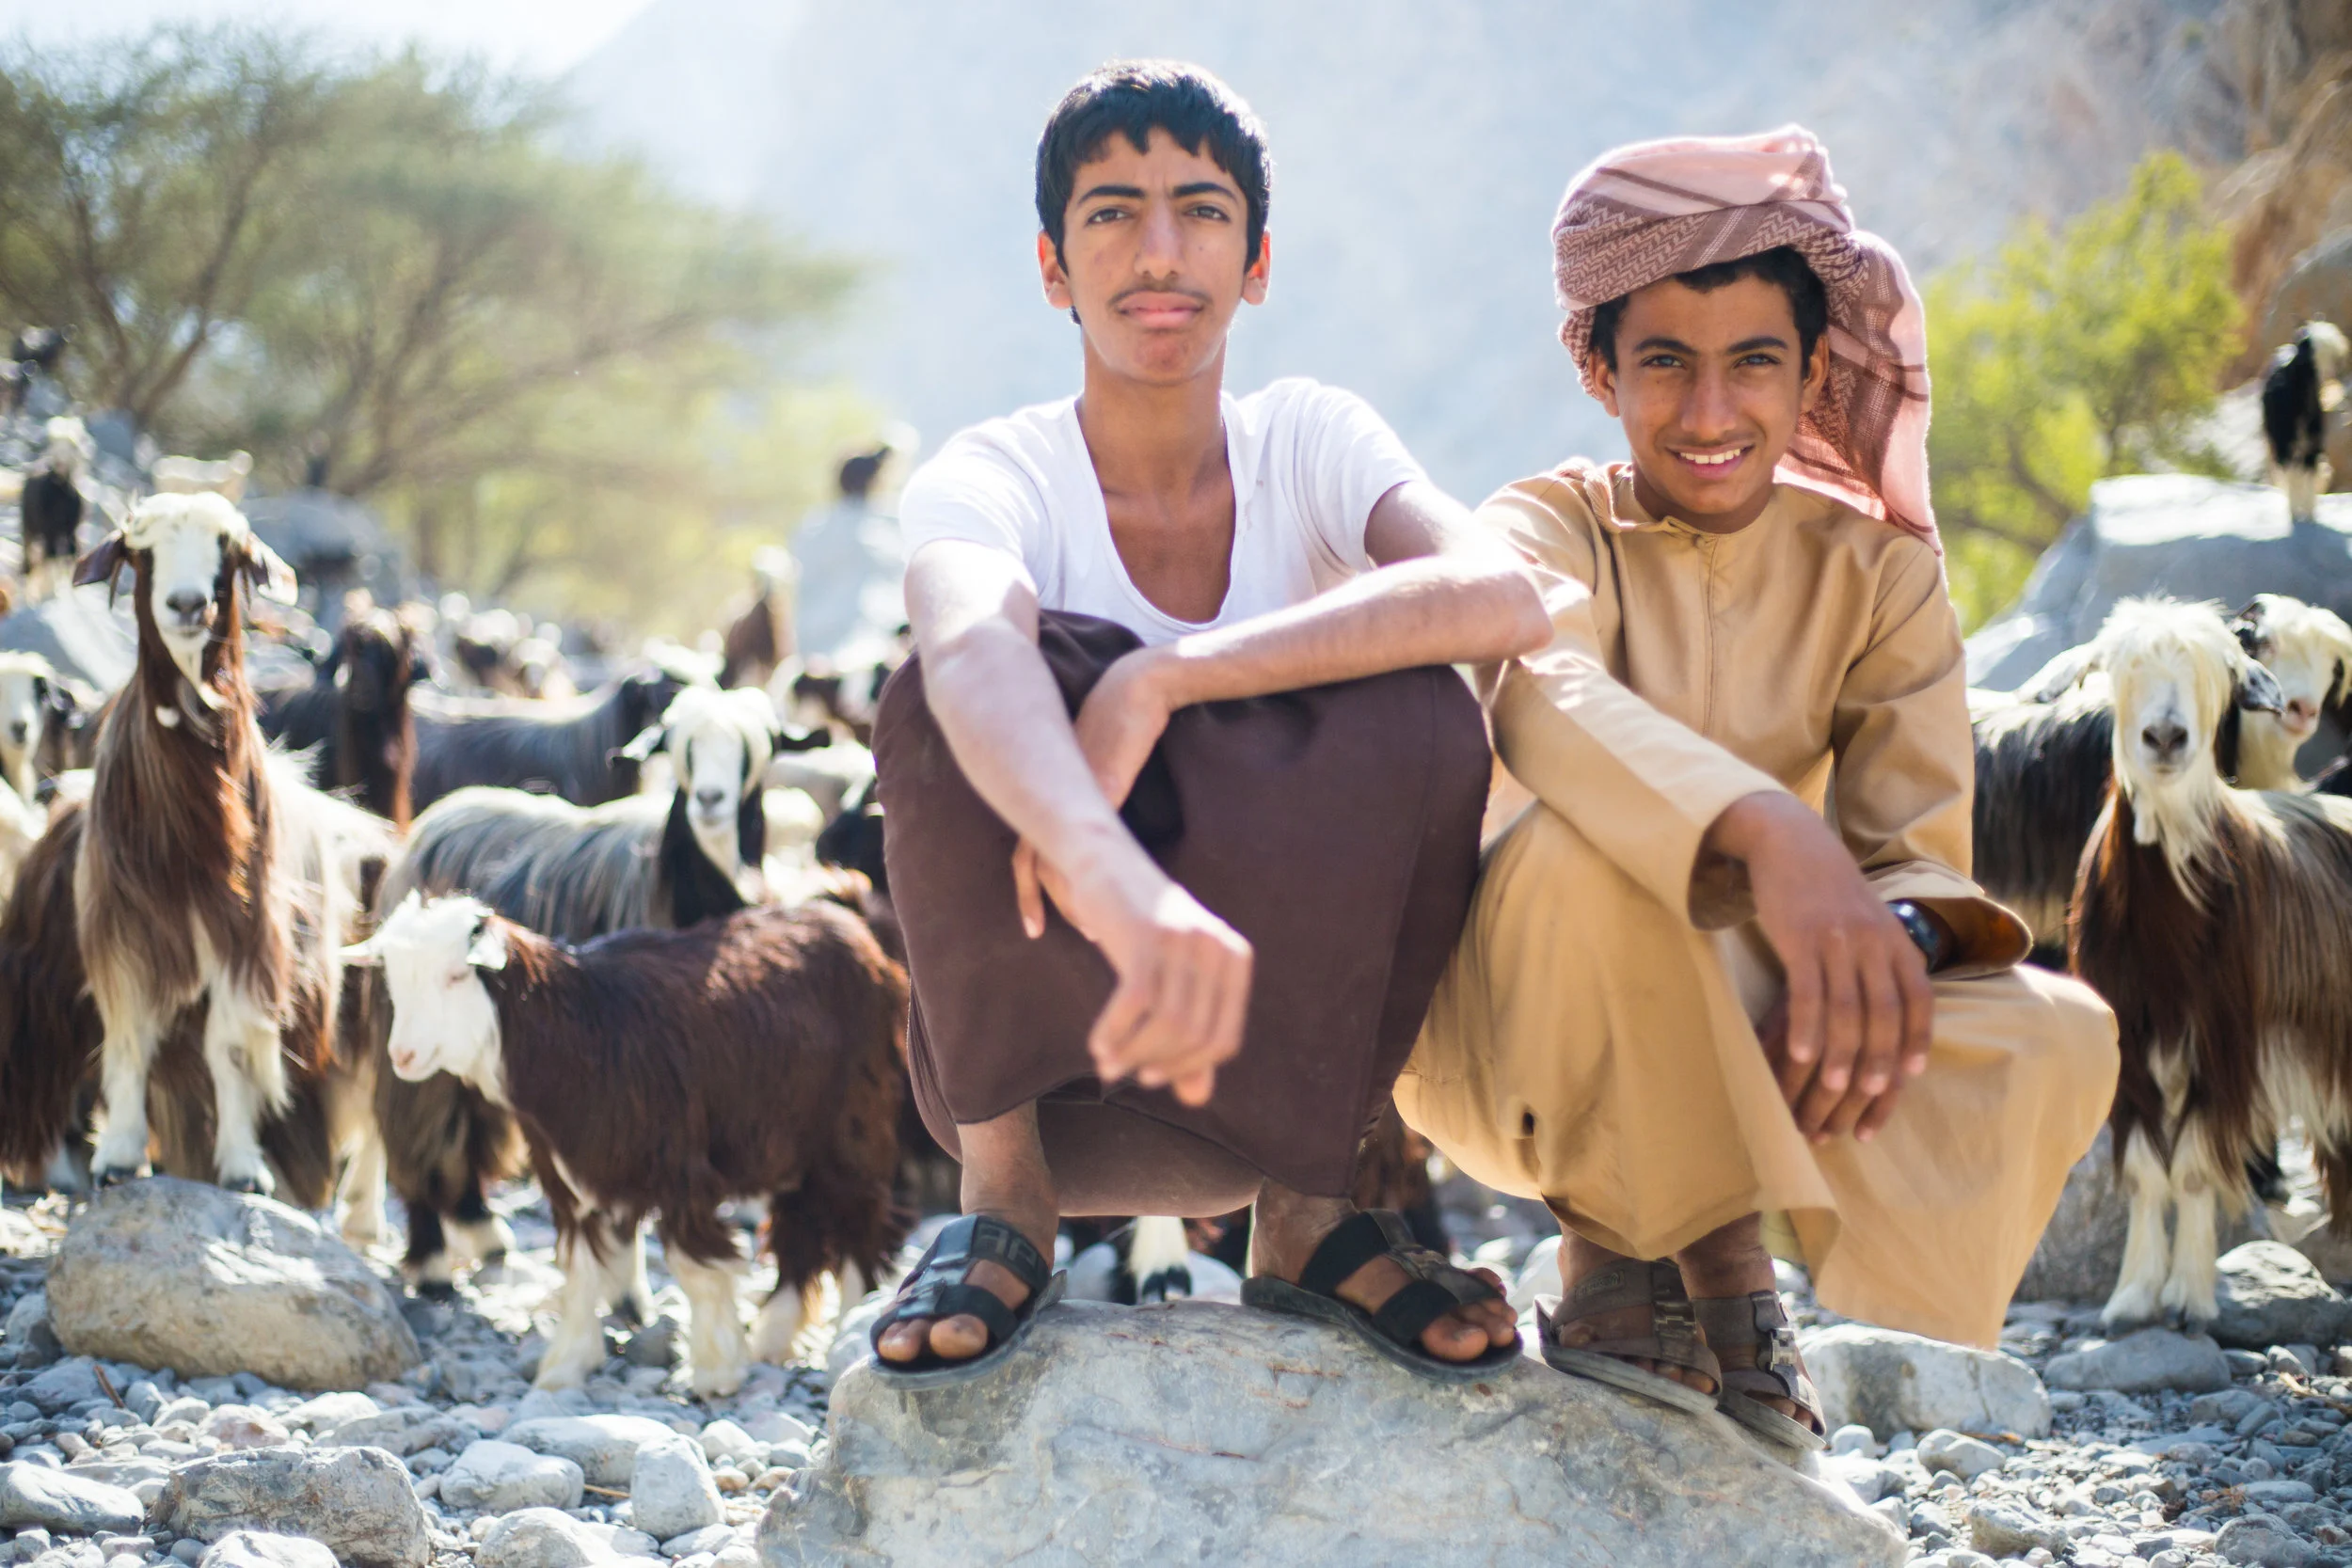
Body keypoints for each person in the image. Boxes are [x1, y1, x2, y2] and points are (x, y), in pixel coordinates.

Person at [1393, 128, 2120, 1449]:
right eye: (1664, 361)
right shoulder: (1545, 525)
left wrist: (1875, 944)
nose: (1711, 412)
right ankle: (1665, 1259)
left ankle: (1726, 1237)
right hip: (1526, 1027)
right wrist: (1767, 830)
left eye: (1754, 364)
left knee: (2057, 1031)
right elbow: (1540, 695)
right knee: (1580, 850)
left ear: (1812, 376)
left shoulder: (1879, 573)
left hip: (1779, 1032)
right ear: (1600, 368)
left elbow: (1915, 842)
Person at [866, 59, 1549, 1384]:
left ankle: (1311, 1220)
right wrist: (1113, 876)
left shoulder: (1309, 439)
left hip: (1283, 1071)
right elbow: (961, 643)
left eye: (1202, 209)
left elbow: (1502, 593)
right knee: (946, 702)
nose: (1160, 252)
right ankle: (999, 1203)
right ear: (1055, 268)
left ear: (1259, 259)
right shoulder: (996, 471)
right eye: (1114, 213)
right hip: (1056, 1071)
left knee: (1424, 700)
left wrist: (1163, 681)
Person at [790, 441, 907, 662]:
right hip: (876, 639)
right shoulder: (888, 524)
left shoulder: (817, 526)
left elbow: (804, 582)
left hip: (818, 641)